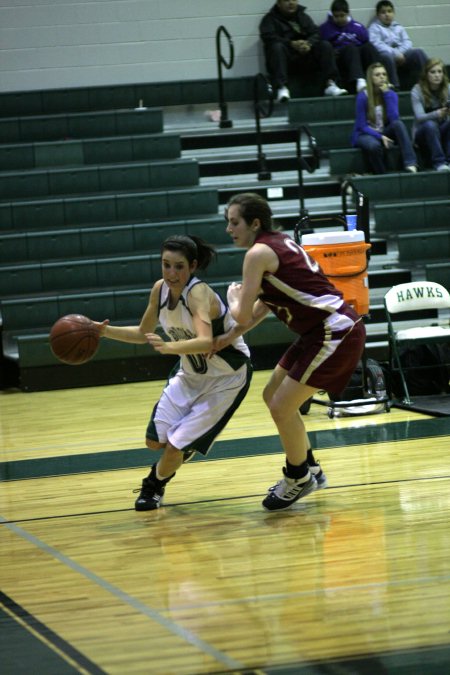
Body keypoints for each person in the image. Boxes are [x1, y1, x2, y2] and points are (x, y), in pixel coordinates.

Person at [225, 193, 366, 512]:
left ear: (254, 223)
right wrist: (228, 338)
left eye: (234, 222)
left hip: (334, 332)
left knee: (281, 406)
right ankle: (310, 467)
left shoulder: (257, 254)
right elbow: (264, 306)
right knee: (272, 394)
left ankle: (298, 476)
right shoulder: (277, 242)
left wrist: (233, 298)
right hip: (318, 331)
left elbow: (243, 312)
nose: (229, 229)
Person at [94, 235, 253, 511]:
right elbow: (144, 334)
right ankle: (184, 447)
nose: (171, 273)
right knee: (154, 441)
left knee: (173, 448)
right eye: (166, 265)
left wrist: (169, 347)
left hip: (226, 378)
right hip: (190, 374)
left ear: (192, 266)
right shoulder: (159, 290)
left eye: (178, 267)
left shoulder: (198, 293)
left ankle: (153, 485)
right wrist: (103, 331)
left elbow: (206, 341)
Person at [260, 0, 347, 103]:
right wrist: (291, 44)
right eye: (287, 0)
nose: (291, 3)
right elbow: (268, 37)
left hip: (305, 57)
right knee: (277, 47)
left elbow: (316, 33)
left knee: (325, 45)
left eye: (294, 0)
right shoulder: (269, 19)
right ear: (279, 4)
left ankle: (330, 84)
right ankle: (282, 88)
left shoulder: (303, 16)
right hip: (287, 59)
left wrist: (308, 44)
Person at [351, 62, 418, 173]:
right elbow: (361, 126)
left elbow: (394, 119)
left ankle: (411, 163)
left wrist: (387, 94)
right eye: (377, 75)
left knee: (399, 124)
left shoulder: (391, 94)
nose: (382, 77)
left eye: (384, 74)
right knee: (374, 146)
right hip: (365, 134)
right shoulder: (363, 96)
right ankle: (381, 174)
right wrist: (380, 137)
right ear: (370, 78)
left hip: (384, 131)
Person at [320, 0, 380, 94]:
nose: (339, 19)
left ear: (348, 13)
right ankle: (359, 80)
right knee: (350, 47)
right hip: (339, 54)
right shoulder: (325, 28)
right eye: (336, 16)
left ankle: (379, 79)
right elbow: (324, 47)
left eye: (342, 15)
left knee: (369, 47)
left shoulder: (358, 27)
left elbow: (365, 42)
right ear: (332, 15)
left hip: (356, 54)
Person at [368, 1, 428, 91]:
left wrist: (400, 53)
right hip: (385, 57)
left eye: (389, 11)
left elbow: (408, 42)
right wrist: (395, 54)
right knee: (386, 56)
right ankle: (395, 87)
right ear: (378, 15)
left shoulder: (398, 27)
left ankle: (427, 81)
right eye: (383, 12)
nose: (387, 14)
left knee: (418, 53)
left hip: (401, 55)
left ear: (393, 13)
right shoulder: (374, 28)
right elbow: (377, 45)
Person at [411, 58, 450, 171]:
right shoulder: (417, 90)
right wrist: (437, 114)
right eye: (433, 72)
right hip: (422, 133)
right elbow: (419, 117)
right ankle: (439, 163)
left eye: (439, 72)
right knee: (430, 125)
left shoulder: (447, 88)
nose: (437, 75)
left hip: (442, 129)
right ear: (426, 74)